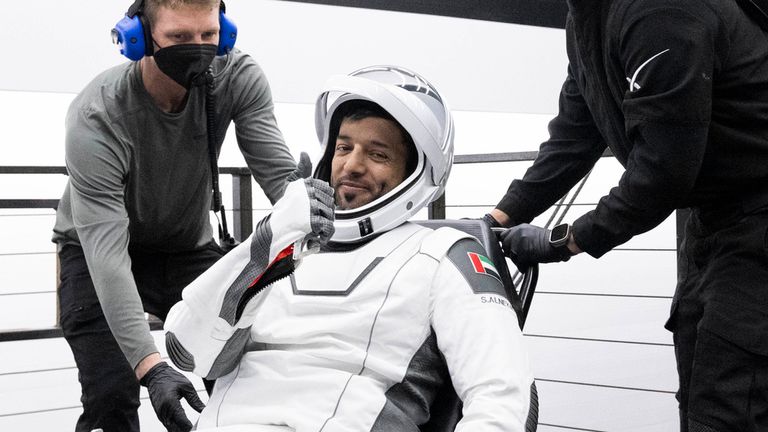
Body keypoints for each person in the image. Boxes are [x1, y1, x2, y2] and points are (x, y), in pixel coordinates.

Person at [163, 66, 538, 432]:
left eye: (377, 154)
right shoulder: (279, 248)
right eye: (344, 147)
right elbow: (189, 353)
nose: (351, 165)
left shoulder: (445, 253)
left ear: (415, 172)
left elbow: (503, 396)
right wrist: (271, 238)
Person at [483, 1, 768, 431]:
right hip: (713, 223)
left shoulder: (661, 11)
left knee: (728, 405)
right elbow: (574, 135)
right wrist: (494, 221)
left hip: (756, 224)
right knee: (697, 396)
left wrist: (566, 241)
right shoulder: (586, 18)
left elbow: (663, 172)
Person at [51, 1, 296, 431]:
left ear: (225, 31)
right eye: (180, 38)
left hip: (187, 248)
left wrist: (315, 210)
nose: (197, 49)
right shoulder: (97, 116)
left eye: (207, 35)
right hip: (98, 254)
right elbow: (107, 254)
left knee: (246, 372)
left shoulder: (237, 77)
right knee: (112, 395)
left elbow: (278, 175)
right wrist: (153, 368)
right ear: (140, 37)